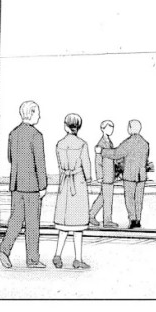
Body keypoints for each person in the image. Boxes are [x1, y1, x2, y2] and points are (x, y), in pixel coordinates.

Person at [0, 100, 48, 270]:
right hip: (32, 186)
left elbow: (10, 158)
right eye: (37, 112)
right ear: (31, 113)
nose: (39, 116)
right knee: (32, 224)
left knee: (15, 220)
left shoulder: (13, 133)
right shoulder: (36, 135)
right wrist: (43, 185)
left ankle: (4, 250)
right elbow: (40, 163)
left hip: (16, 184)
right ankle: (32, 259)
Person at [53, 113, 92, 269]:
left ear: (65, 126)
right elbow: (86, 164)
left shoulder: (59, 144)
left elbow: (59, 164)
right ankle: (77, 259)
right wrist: (89, 178)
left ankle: (57, 255)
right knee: (78, 225)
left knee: (64, 224)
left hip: (64, 182)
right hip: (78, 183)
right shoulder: (82, 144)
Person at [112, 119, 150, 228]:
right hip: (141, 175)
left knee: (129, 198)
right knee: (139, 199)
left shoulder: (128, 142)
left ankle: (132, 219)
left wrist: (103, 151)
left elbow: (116, 154)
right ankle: (138, 219)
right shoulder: (145, 143)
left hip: (129, 174)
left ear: (130, 128)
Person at [89, 119, 119, 228]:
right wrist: (100, 176)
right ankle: (107, 221)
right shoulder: (101, 143)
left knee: (103, 197)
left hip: (109, 175)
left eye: (112, 128)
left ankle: (91, 215)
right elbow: (98, 161)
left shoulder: (109, 142)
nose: (111, 130)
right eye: (109, 128)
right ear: (103, 129)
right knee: (107, 198)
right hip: (106, 176)